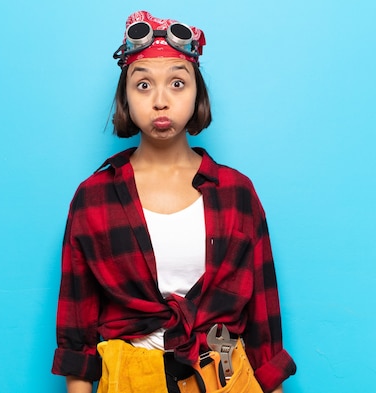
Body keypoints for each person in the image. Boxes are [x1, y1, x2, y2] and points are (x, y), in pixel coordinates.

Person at [52, 10, 296, 393]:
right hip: (131, 379)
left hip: (226, 379)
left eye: (177, 83)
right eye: (143, 85)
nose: (161, 100)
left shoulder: (237, 194)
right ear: (125, 96)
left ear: (197, 92)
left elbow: (265, 331)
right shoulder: (93, 199)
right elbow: (76, 336)